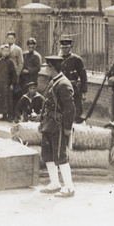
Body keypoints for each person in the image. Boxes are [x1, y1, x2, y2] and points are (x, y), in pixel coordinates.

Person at [38, 56, 76, 198]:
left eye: (47, 67)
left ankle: (69, 187)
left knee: (60, 156)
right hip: (49, 124)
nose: (45, 70)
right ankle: (55, 183)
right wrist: (42, 122)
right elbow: (46, 104)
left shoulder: (64, 84)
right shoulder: (53, 82)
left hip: (59, 126)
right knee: (47, 154)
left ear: (52, 68)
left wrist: (67, 127)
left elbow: (70, 109)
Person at [59, 38, 88, 123]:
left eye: (66, 48)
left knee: (77, 111)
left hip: (74, 89)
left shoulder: (77, 60)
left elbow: (83, 77)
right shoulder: (58, 60)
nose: (64, 50)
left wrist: (84, 92)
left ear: (71, 48)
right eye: (62, 48)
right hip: (61, 89)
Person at [0, 45, 18, 122]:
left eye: (8, 51)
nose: (6, 52)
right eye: (5, 51)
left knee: (8, 100)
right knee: (0, 99)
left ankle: (9, 116)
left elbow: (14, 74)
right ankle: (2, 114)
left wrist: (12, 84)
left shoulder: (11, 62)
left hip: (7, 85)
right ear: (1, 51)